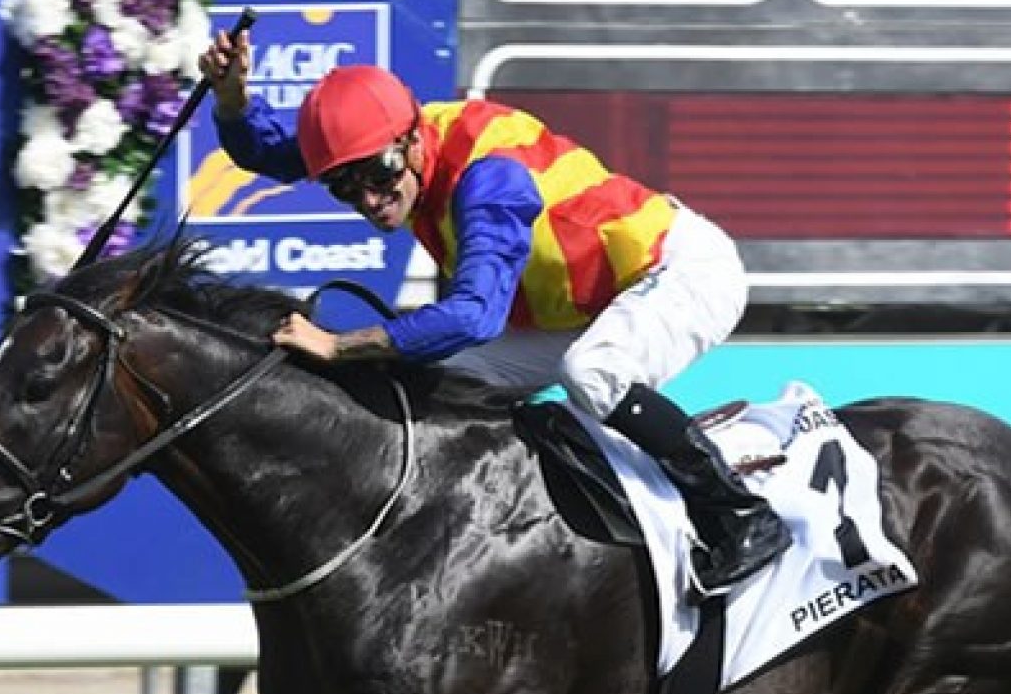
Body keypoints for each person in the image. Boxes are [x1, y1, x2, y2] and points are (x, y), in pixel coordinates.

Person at [196, 30, 789, 595]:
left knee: (592, 371)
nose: (371, 201)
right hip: (575, 311)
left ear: (412, 139)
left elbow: (474, 316)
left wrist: (340, 345)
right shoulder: (384, 138)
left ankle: (739, 514)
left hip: (677, 272)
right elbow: (268, 149)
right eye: (345, 189)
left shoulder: (490, 177)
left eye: (378, 177)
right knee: (438, 384)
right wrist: (232, 97)